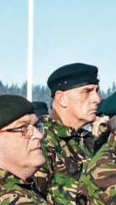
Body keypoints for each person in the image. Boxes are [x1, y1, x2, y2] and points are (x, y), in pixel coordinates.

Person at [41, 62, 102, 195]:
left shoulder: (91, 140)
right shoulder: (40, 139)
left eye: (97, 91)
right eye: (87, 92)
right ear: (62, 99)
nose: (97, 99)